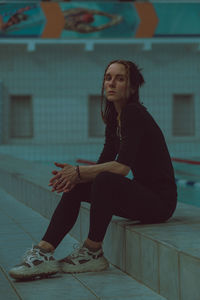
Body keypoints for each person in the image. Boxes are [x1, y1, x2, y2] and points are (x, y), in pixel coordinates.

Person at [9, 59, 177, 280]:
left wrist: (77, 172)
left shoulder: (134, 113)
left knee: (104, 179)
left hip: (160, 203)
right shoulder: (114, 120)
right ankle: (43, 252)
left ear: (133, 87)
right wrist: (76, 178)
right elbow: (102, 163)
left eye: (120, 78)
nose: (111, 83)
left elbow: (121, 167)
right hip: (141, 195)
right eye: (108, 78)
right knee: (83, 184)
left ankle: (92, 251)